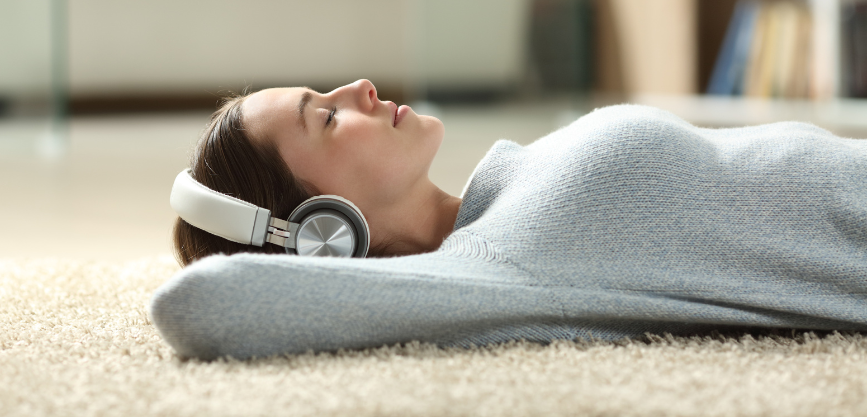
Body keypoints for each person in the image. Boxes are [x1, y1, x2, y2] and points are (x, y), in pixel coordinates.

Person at [150, 79, 867, 360]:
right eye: (328, 117)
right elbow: (203, 305)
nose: (361, 88)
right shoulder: (488, 271)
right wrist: (272, 241)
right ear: (319, 229)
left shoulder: (504, 195)